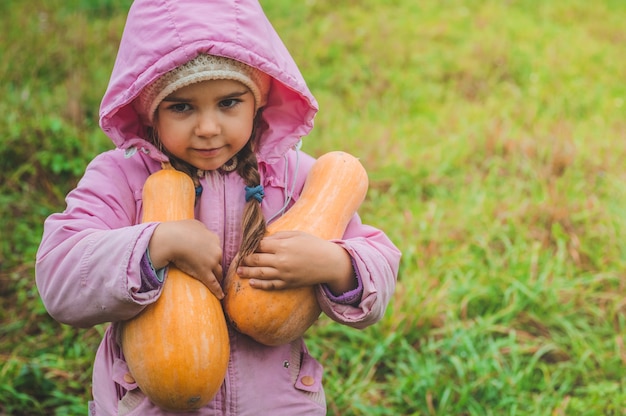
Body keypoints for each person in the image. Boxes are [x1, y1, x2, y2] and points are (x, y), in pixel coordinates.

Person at [35, 0, 401, 414]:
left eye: (228, 103)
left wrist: (337, 265)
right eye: (182, 106)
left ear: (259, 101)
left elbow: (381, 265)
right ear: (149, 112)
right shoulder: (120, 179)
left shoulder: (297, 177)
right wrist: (154, 244)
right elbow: (59, 278)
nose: (208, 128)